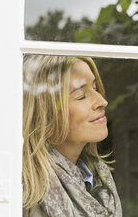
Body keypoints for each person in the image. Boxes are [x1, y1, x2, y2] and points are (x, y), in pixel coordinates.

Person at [23, 55, 122, 217]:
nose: (102, 101)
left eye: (95, 89)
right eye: (81, 95)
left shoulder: (99, 178)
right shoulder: (25, 193)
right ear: (45, 114)